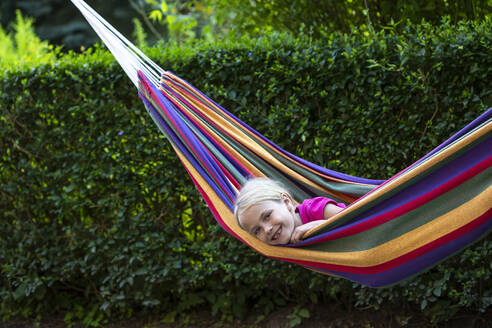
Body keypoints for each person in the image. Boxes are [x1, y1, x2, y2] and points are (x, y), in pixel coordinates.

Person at [233, 178, 346, 245]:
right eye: (257, 230)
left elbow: (356, 221)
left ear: (286, 202)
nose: (267, 230)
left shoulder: (316, 208)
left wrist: (320, 225)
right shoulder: (284, 249)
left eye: (267, 216)